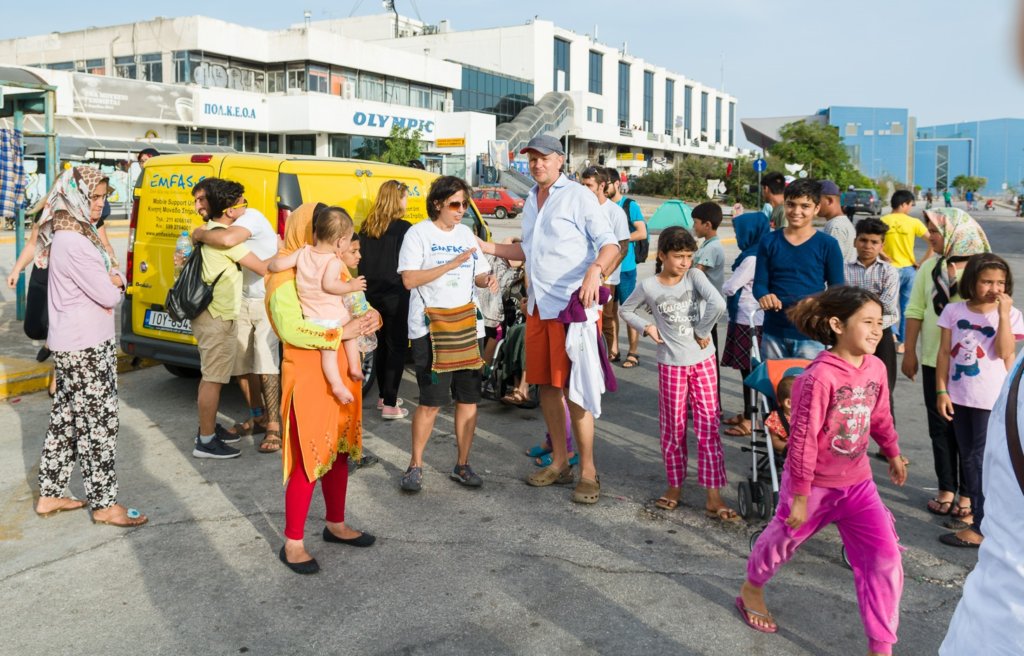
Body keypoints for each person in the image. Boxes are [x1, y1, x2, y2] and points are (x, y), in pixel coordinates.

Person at [736, 286, 906, 656]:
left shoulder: (876, 367)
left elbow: (880, 416)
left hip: (859, 485)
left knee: (885, 558)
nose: (877, 330)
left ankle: (880, 645)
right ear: (837, 325)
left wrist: (892, 452)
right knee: (781, 541)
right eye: (867, 322)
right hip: (813, 488)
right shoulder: (818, 377)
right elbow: (802, 441)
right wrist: (799, 496)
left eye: (880, 322)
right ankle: (751, 588)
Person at [478, 134, 619, 505]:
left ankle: (588, 471)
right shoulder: (531, 200)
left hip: (570, 308)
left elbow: (610, 244)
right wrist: (485, 246)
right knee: (548, 389)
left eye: (543, 157)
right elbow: (526, 250)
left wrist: (595, 271)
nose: (537, 164)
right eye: (532, 159)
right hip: (539, 307)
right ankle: (560, 461)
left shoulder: (578, 196)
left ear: (560, 160)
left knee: (576, 391)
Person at [265, 203, 379, 575]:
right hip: (308, 375)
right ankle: (293, 543)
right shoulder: (284, 277)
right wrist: (341, 332)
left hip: (341, 373)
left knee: (339, 452)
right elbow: (291, 329)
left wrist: (370, 316)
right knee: (308, 459)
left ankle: (336, 523)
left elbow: (356, 303)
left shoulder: (333, 264)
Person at [33, 166, 147, 527]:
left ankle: (51, 493)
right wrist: (118, 279)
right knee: (100, 423)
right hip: (86, 345)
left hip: (72, 341)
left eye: (102, 197)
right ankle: (104, 503)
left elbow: (107, 281)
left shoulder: (71, 235)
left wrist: (113, 278)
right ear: (74, 197)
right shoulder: (77, 243)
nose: (98, 204)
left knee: (67, 420)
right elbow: (110, 294)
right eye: (92, 196)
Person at [619, 227, 734, 518]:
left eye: (688, 256)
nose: (684, 262)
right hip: (671, 365)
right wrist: (646, 326)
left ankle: (713, 495)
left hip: (703, 362)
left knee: (708, 427)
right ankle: (674, 486)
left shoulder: (694, 276)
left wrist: (702, 331)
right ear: (662, 256)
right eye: (678, 256)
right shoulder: (649, 286)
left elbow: (718, 303)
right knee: (673, 429)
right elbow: (626, 310)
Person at [396, 175, 496, 493]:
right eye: (455, 204)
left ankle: (462, 465)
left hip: (468, 327)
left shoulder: (466, 234)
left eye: (465, 204)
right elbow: (409, 280)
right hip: (430, 329)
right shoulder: (418, 234)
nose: (461, 210)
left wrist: (487, 280)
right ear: (437, 203)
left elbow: (479, 273)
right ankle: (415, 466)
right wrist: (451, 264)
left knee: (469, 399)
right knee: (431, 402)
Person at [902, 208, 990, 518]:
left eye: (934, 231)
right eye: (929, 230)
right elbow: (915, 310)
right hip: (932, 360)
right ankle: (946, 488)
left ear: (955, 233)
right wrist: (910, 351)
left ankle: (967, 494)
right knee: (939, 428)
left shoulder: (982, 270)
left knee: (967, 431)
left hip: (970, 366)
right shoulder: (930, 268)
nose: (929, 237)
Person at [935, 253, 1023, 548]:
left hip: (992, 399)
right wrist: (941, 390)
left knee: (979, 458)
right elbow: (944, 353)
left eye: (1000, 282)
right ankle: (977, 514)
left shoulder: (1010, 314)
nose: (994, 288)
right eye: (987, 281)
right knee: (968, 456)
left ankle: (982, 525)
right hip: (960, 396)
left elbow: (1004, 352)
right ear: (972, 281)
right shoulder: (953, 310)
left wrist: (1003, 315)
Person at [191, 188, 282, 453]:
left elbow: (229, 240)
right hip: (230, 307)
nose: (197, 206)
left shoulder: (246, 219)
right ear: (229, 209)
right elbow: (257, 262)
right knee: (237, 366)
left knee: (265, 361)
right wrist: (282, 254)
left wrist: (199, 233)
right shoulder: (217, 233)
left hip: (261, 301)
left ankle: (273, 425)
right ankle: (253, 418)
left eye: (201, 200)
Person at [268, 206, 364, 405]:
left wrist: (278, 253)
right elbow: (330, 285)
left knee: (332, 350)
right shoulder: (333, 262)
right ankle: (349, 372)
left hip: (312, 317)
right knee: (344, 336)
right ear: (340, 242)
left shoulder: (302, 253)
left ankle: (342, 378)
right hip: (330, 322)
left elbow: (275, 265)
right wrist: (351, 286)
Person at [753, 178, 845, 360]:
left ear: (816, 208)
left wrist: (818, 304)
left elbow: (838, 290)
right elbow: (759, 284)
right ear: (784, 205)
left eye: (805, 206)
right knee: (772, 379)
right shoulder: (768, 241)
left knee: (810, 379)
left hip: (811, 334)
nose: (796, 211)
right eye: (791, 204)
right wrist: (764, 295)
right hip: (773, 331)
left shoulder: (828, 244)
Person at [359, 180, 412, 420]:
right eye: (405, 197)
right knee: (396, 347)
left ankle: (383, 396)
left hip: (370, 295)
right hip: (395, 294)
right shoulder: (404, 229)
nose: (407, 201)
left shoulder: (366, 227)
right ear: (397, 199)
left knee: (379, 345)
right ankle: (390, 404)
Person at [720, 211, 771, 437]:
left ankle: (751, 419)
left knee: (748, 373)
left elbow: (731, 287)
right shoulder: (756, 253)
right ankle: (748, 413)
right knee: (748, 371)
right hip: (748, 318)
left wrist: (724, 286)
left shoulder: (751, 258)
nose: (737, 236)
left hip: (748, 320)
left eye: (738, 232)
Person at [845, 218, 900, 418]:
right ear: (855, 241)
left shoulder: (889, 271)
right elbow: (838, 300)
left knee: (883, 387)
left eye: (874, 242)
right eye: (863, 240)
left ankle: (886, 437)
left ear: (881, 245)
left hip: (881, 334)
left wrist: (854, 305)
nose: (868, 246)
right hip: (849, 336)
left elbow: (887, 305)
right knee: (849, 386)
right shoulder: (843, 269)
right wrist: (871, 302)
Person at [579, 167, 629, 364]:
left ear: (601, 186)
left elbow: (622, 247)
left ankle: (607, 359)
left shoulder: (615, 212)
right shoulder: (579, 208)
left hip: (606, 276)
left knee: (605, 317)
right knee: (583, 317)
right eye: (582, 185)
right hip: (582, 274)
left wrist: (603, 274)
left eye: (589, 185)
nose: (584, 189)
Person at [880, 190, 933, 353]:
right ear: (903, 204)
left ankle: (892, 335)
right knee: (906, 308)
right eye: (910, 204)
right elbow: (933, 241)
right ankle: (902, 343)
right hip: (909, 270)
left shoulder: (883, 221)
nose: (910, 208)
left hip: (889, 268)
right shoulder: (913, 222)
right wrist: (922, 262)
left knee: (886, 305)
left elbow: (875, 242)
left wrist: (884, 255)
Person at [605, 166, 648, 367]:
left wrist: (620, 239)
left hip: (626, 268)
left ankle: (633, 351)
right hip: (608, 268)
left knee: (628, 311)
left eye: (606, 184)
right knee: (610, 311)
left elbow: (642, 232)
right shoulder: (600, 206)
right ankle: (613, 349)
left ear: (616, 184)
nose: (603, 188)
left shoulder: (629, 205)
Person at [692, 201, 726, 412]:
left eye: (696, 222)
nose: (693, 226)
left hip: (707, 311)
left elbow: (694, 274)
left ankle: (713, 405)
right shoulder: (707, 245)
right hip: (703, 309)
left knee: (707, 358)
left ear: (707, 224)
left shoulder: (712, 248)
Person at [818, 180, 855, 262]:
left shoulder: (836, 227)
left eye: (817, 201)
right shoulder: (839, 223)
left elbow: (833, 261)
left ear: (829, 201)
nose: (814, 205)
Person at [765, 375, 795, 455]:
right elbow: (774, 441)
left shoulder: (808, 415)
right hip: (790, 453)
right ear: (788, 403)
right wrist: (790, 447)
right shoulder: (776, 419)